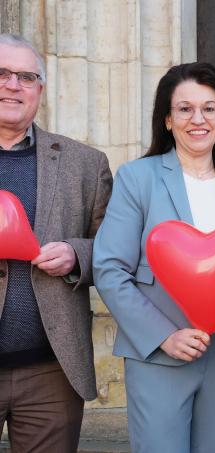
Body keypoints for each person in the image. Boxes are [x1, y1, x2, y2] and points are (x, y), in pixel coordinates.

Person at [92, 62, 215, 453]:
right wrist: (164, 337)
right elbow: (109, 268)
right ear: (168, 120)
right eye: (185, 109)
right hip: (161, 353)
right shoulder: (137, 178)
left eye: (209, 108)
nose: (198, 119)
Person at [0, 33, 112, 452]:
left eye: (26, 76)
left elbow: (116, 250)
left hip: (50, 372)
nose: (13, 85)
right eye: (2, 73)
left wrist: (77, 255)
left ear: (40, 90)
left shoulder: (85, 163)